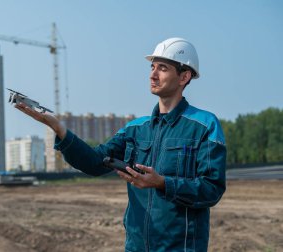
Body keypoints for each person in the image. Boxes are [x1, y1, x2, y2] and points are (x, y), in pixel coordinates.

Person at [15, 37, 226, 252]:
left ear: (184, 76)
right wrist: (58, 128)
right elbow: (95, 162)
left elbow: (212, 190)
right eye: (152, 67)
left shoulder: (204, 125)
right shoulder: (136, 129)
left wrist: (162, 183)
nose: (153, 74)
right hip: (136, 246)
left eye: (163, 68)